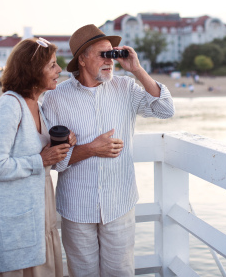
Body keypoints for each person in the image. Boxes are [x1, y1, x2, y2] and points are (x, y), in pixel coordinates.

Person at [42, 24, 175, 277]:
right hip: (77, 207)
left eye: (112, 53)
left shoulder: (125, 88)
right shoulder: (55, 98)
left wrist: (136, 69)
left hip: (119, 202)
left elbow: (166, 110)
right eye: (102, 55)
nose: (109, 61)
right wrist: (91, 149)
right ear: (82, 59)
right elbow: (55, 162)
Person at [0, 38, 76, 276]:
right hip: (15, 215)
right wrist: (41, 160)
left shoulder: (37, 105)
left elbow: (35, 151)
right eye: (52, 65)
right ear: (33, 71)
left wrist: (62, 145)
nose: (59, 70)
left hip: (39, 209)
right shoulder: (9, 106)